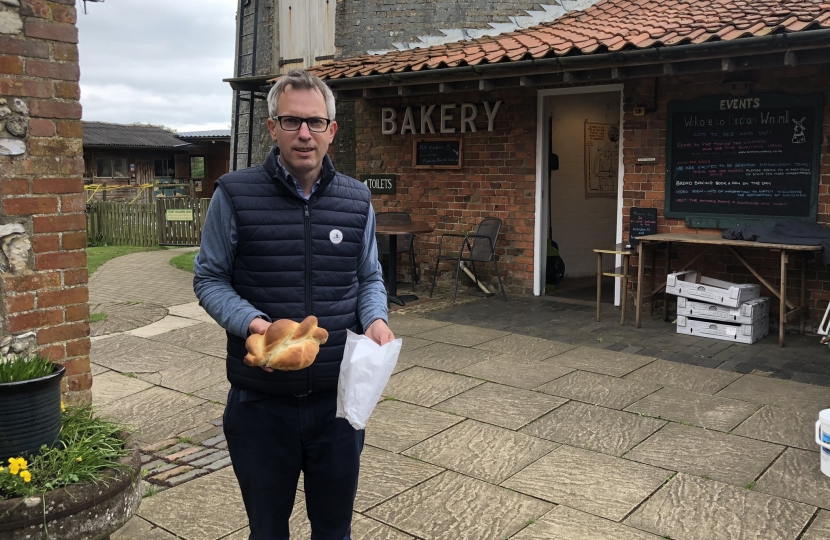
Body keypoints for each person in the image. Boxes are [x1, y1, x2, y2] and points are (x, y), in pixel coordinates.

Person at [193, 68, 394, 540]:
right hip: (260, 405)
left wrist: (377, 318)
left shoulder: (356, 198)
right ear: (272, 128)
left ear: (331, 131)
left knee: (333, 530)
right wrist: (254, 324)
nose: (304, 133)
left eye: (315, 123)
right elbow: (209, 277)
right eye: (291, 121)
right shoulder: (235, 194)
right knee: (267, 530)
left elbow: (369, 276)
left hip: (338, 404)